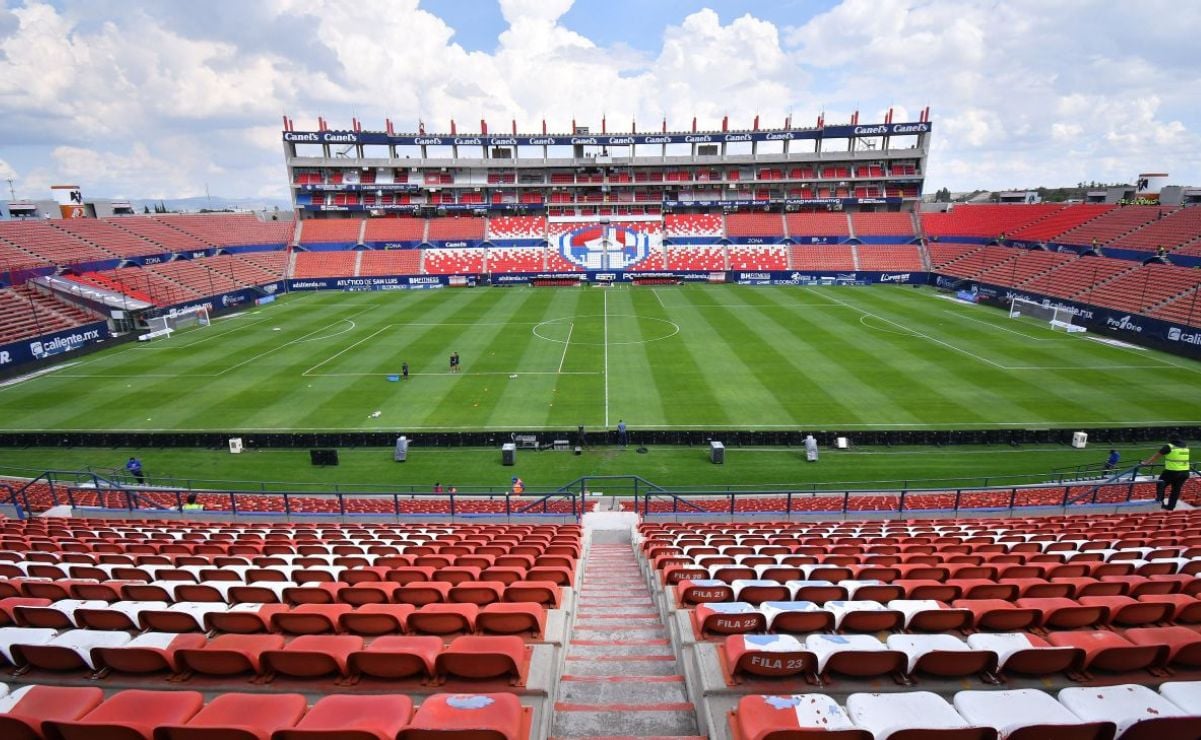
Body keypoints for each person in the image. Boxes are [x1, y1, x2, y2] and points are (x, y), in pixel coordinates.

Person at [1143, 437, 1191, 511]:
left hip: (1172, 471)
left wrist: (1146, 463)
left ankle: (1160, 503)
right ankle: (1171, 507)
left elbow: (1156, 456)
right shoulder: (1185, 446)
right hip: (1185, 472)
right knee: (1176, 490)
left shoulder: (1169, 446)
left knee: (1160, 485)